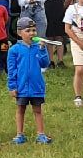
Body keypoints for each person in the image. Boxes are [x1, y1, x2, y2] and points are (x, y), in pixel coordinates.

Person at [6, 15, 53, 143]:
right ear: (20, 33)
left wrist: (43, 49)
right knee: (21, 109)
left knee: (37, 109)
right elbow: (12, 70)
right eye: (28, 31)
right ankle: (19, 134)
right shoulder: (14, 50)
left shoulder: (38, 47)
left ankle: (41, 134)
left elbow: (44, 64)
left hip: (36, 86)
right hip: (21, 86)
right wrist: (12, 86)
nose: (32, 33)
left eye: (33, 30)